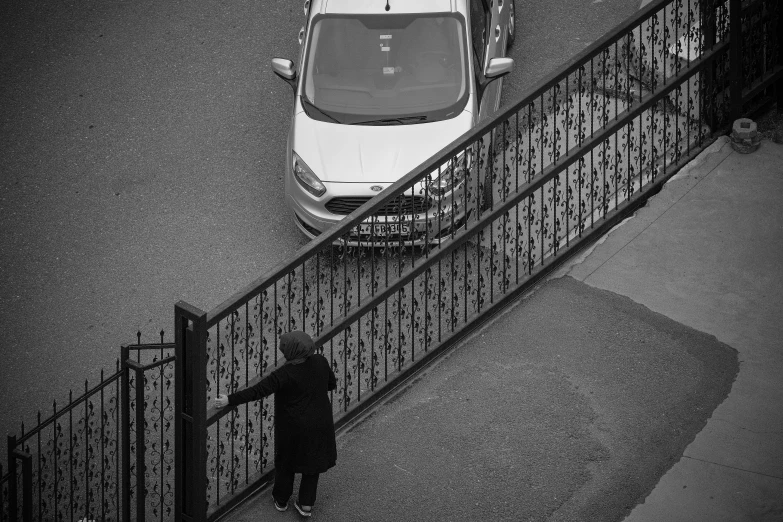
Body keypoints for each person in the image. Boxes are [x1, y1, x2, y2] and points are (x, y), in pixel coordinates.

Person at [215, 331, 337, 518]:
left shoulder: (284, 374)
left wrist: (228, 399)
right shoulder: (320, 361)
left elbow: (257, 391)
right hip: (320, 423)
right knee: (312, 464)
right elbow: (331, 384)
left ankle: (281, 500)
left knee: (286, 461)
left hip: (293, 428)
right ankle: (305, 505)